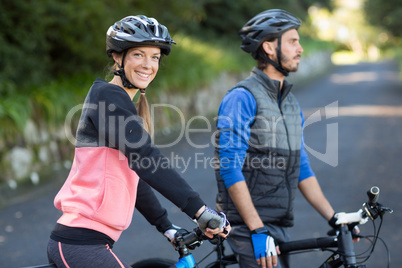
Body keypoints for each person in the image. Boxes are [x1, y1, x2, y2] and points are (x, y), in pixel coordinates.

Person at [47, 15, 230, 268]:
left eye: (154, 57)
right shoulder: (107, 97)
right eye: (138, 55)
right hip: (80, 243)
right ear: (117, 57)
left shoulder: (120, 103)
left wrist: (166, 226)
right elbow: (146, 159)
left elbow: (133, 177)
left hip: (92, 243)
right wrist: (200, 211)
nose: (148, 64)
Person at [214, 9, 346, 268]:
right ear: (269, 47)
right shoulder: (242, 97)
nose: (301, 49)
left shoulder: (290, 103)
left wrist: (334, 218)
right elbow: (229, 167)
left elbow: (302, 168)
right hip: (247, 226)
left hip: (277, 224)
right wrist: (257, 229)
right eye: (293, 41)